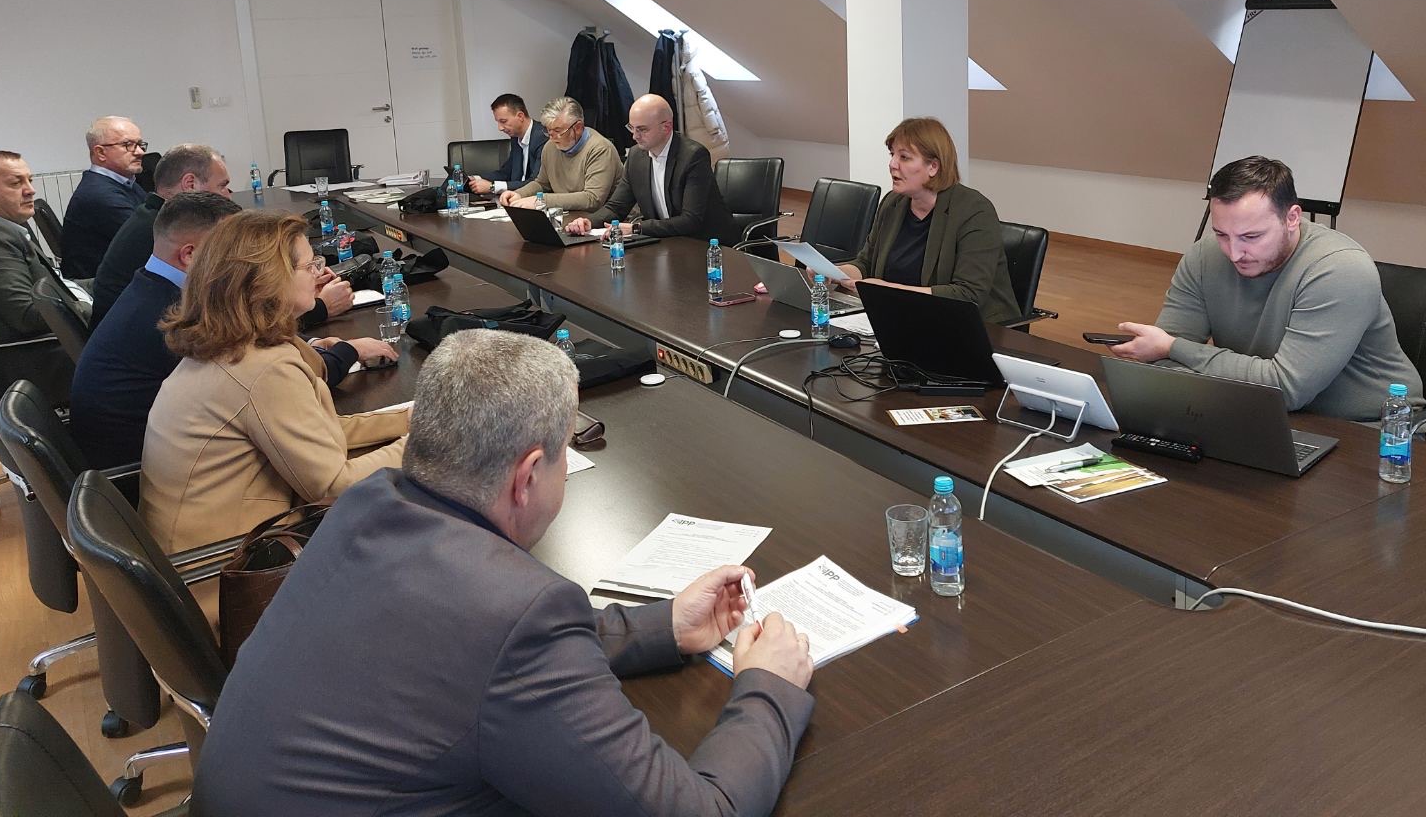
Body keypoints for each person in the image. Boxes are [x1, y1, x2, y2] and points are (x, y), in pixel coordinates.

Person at [192, 330, 815, 816]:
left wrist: (665, 626)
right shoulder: (515, 609)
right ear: (528, 476)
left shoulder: (366, 505)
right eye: (564, 455)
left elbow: (473, 648)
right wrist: (767, 684)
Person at [138, 211, 410, 579]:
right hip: (228, 571)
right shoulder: (262, 368)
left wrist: (409, 420)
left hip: (193, 553)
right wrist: (424, 444)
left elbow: (316, 431)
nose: (321, 273)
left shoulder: (229, 342)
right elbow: (334, 486)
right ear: (267, 281)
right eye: (309, 265)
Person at [72, 197, 396, 471]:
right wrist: (342, 351)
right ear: (191, 255)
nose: (249, 264)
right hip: (143, 473)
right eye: (231, 251)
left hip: (171, 468)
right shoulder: (173, 316)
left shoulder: (157, 291)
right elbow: (267, 379)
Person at [1110, 155, 1423, 419]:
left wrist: (1174, 347)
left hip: (1373, 431)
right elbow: (1164, 367)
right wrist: (1171, 353)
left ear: (1292, 218)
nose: (1234, 253)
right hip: (1259, 411)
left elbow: (1285, 389)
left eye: (1251, 237)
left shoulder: (1340, 270)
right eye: (1221, 234)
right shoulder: (1204, 257)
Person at [837, 117, 1022, 326]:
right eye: (892, 155)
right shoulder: (893, 203)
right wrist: (835, 273)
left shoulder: (974, 211)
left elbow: (968, 294)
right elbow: (866, 263)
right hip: (905, 318)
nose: (892, 164)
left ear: (933, 167)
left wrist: (886, 291)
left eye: (904, 157)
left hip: (973, 328)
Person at [0, 151, 77, 403]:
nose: (30, 190)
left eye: (29, 180)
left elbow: (53, 289)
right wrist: (90, 306)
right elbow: (26, 316)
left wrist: (107, 287)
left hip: (45, 349)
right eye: (15, 183)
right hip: (35, 361)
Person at [90, 143, 231, 328]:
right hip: (143, 333)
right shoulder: (164, 232)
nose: (227, 196)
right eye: (222, 186)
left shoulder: (151, 215)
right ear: (190, 184)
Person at [565, 93, 738, 242]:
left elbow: (690, 220)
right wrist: (589, 222)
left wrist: (636, 228)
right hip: (666, 242)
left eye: (642, 129)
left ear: (666, 127)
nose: (634, 136)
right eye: (631, 128)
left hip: (707, 244)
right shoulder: (636, 156)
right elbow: (616, 207)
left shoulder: (693, 156)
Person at [500, 96, 622, 213]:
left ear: (578, 128)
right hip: (569, 216)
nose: (552, 137)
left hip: (603, 219)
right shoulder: (550, 146)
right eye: (548, 130)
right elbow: (542, 183)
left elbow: (593, 199)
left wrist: (542, 201)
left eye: (558, 131)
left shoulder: (600, 149)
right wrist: (519, 194)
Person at [61, 115, 148, 278]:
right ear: (100, 152)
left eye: (140, 144)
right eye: (128, 145)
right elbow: (153, 241)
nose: (140, 152)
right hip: (103, 287)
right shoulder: (99, 195)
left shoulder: (124, 183)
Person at [466, 92, 547, 195]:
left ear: (520, 116)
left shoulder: (542, 137)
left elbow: (536, 183)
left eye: (503, 121)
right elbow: (506, 173)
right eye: (498, 122)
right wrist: (475, 179)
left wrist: (492, 187)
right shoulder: (515, 137)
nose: (500, 128)